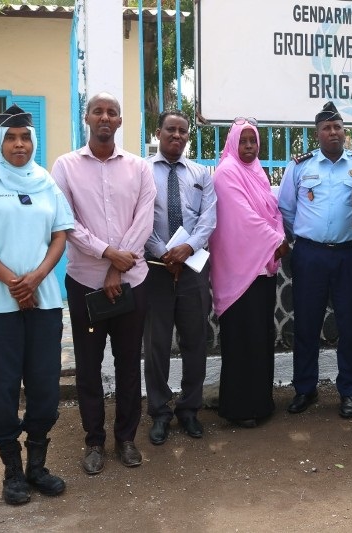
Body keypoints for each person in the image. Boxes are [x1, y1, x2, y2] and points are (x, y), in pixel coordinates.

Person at [0, 104, 74, 505]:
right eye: (11, 137)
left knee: (44, 386)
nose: (19, 144)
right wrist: (12, 281)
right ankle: (11, 470)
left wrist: (38, 277)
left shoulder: (45, 182)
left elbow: (60, 233)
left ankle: (37, 466)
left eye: (25, 136)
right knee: (2, 390)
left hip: (43, 303)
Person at [52, 92, 156, 473]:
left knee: (129, 364)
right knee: (88, 366)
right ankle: (93, 441)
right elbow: (67, 222)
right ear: (87, 118)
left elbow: (144, 220)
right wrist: (108, 254)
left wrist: (117, 264)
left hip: (132, 282)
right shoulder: (65, 166)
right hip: (84, 283)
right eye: (98, 111)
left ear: (120, 120)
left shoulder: (139, 167)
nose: (105, 117)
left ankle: (125, 438)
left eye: (112, 111)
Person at [277, 101, 352, 419]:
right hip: (310, 255)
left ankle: (349, 392)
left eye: (337, 127)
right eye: (326, 128)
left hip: (349, 255)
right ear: (317, 134)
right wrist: (304, 236)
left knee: (350, 326)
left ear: (345, 132)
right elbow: (286, 209)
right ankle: (305, 389)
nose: (333, 132)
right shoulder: (301, 166)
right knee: (306, 323)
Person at [209, 118, 289, 428]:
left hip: (263, 269)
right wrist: (275, 241)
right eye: (242, 141)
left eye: (252, 141)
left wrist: (278, 234)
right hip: (239, 270)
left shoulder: (258, 171)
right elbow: (243, 217)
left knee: (261, 336)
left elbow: (273, 210)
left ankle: (260, 402)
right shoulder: (226, 173)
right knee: (241, 338)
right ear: (232, 142)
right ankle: (239, 407)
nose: (248, 146)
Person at [144, 109, 216, 445]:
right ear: (158, 133)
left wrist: (186, 249)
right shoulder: (142, 172)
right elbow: (138, 218)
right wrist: (163, 253)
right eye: (170, 130)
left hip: (192, 270)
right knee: (156, 345)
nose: (177, 135)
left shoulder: (202, 173)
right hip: (156, 271)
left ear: (188, 136)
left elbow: (208, 219)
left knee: (195, 342)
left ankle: (189, 409)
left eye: (183, 131)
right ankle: (159, 411)